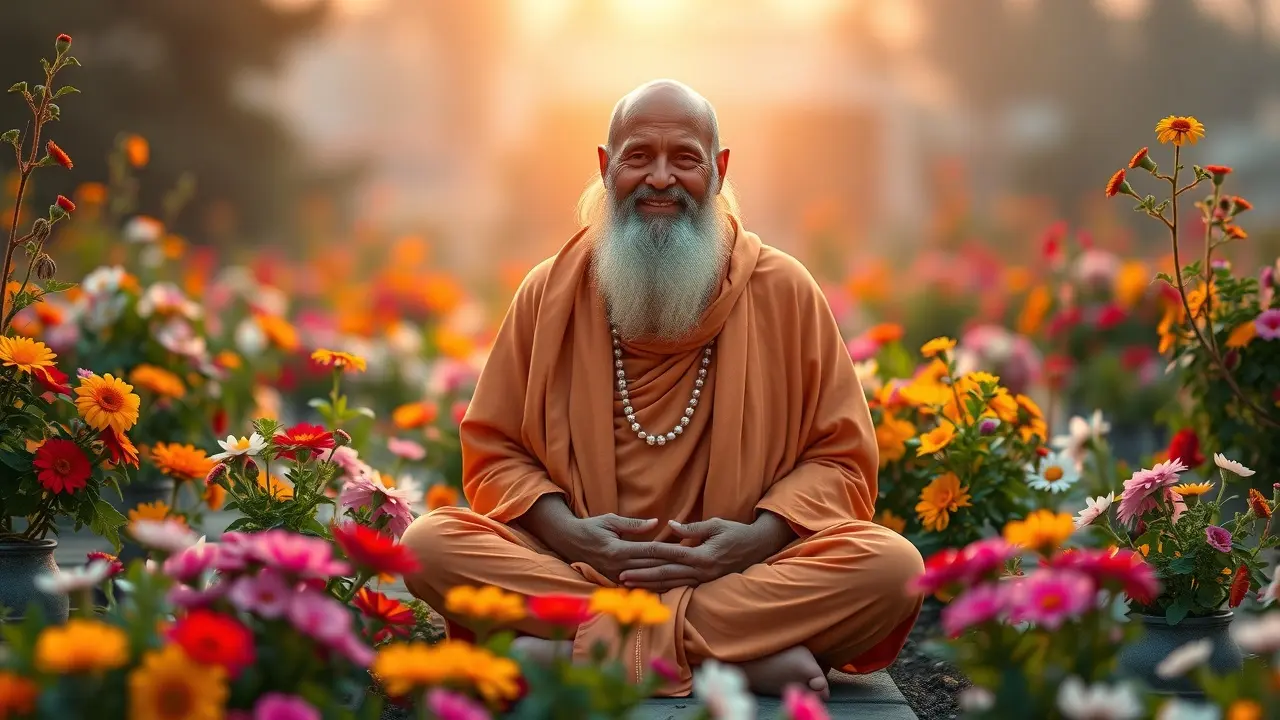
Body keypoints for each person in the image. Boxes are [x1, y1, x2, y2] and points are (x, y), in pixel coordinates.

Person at [400, 79, 924, 699]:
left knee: (893, 569)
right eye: (639, 157)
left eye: (684, 159)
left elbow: (840, 461)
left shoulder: (784, 290)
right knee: (428, 545)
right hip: (581, 567)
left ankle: (576, 651)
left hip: (739, 572)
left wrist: (753, 541)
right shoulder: (549, 292)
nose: (659, 179)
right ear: (606, 166)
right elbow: (495, 451)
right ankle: (726, 658)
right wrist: (569, 533)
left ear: (719, 171)